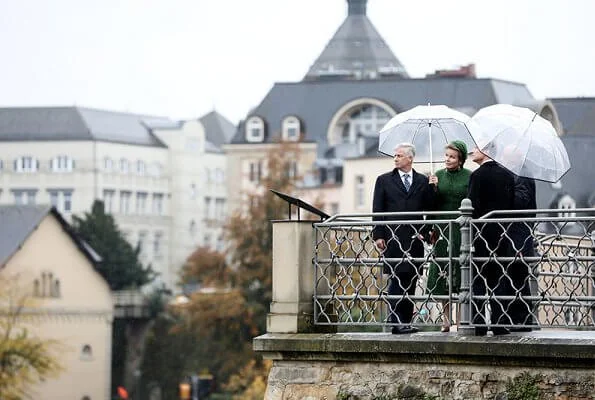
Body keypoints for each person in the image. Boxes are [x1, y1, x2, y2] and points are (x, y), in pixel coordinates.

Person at [372, 142, 435, 334]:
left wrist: (433, 189)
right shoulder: (383, 180)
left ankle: (406, 322)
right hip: (393, 238)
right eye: (395, 156)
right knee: (397, 279)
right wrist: (378, 235)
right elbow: (378, 209)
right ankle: (396, 322)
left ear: (410, 158)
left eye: (399, 156)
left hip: (414, 239)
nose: (396, 159)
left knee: (412, 280)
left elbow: (430, 209)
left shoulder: (423, 181)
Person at [467, 145, 516, 336]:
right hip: (502, 234)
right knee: (499, 279)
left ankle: (479, 323)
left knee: (478, 279)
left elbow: (471, 207)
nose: (473, 151)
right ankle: (499, 322)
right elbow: (512, 206)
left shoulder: (477, 176)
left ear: (487, 152)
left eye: (477, 148)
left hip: (481, 235)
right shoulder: (507, 175)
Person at [426, 140, 472, 332]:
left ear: (460, 159)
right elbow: (431, 205)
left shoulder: (470, 176)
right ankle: (446, 319)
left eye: (452, 157)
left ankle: (461, 319)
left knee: (461, 270)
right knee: (443, 269)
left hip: (461, 228)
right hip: (442, 228)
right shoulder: (437, 176)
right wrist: (433, 189)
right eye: (446, 156)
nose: (448, 160)